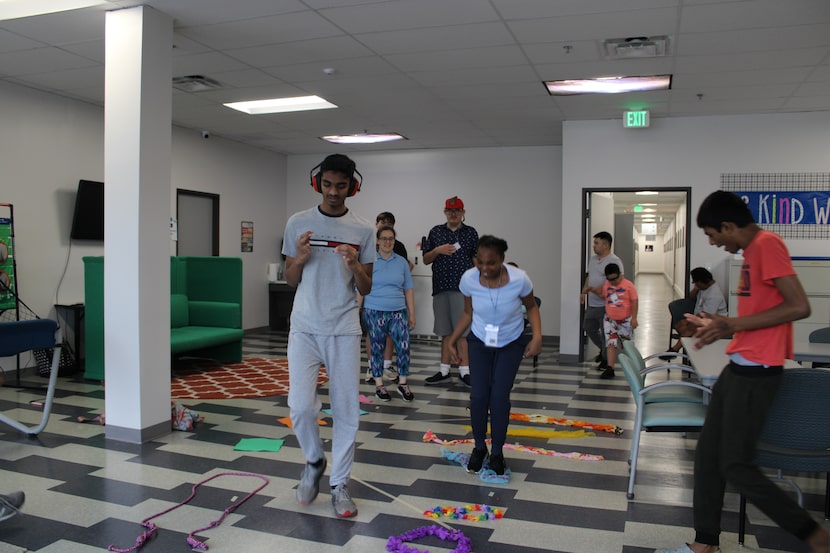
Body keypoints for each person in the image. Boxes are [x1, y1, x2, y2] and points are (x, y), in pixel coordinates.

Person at [656, 190, 830, 553]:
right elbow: (759, 318)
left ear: (729, 225)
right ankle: (705, 544)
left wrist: (730, 323)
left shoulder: (767, 246)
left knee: (735, 465)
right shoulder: (751, 253)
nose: (712, 241)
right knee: (707, 457)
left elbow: (798, 306)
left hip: (757, 375)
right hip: (738, 367)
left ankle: (814, 535)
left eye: (712, 234)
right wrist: (718, 325)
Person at [282, 153, 375, 519]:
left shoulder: (363, 230)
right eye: (327, 185)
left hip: (343, 328)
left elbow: (367, 283)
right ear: (317, 183)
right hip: (304, 325)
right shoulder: (297, 222)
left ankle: (339, 485)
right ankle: (314, 460)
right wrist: (300, 258)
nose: (333, 192)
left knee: (347, 410)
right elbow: (290, 279)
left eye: (340, 186)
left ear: (352, 187)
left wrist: (354, 264)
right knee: (300, 407)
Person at [447, 235, 542, 475]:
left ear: (502, 260)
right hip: (479, 341)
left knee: (499, 397)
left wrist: (538, 336)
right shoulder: (469, 279)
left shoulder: (519, 279)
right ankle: (480, 447)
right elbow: (468, 313)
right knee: (479, 396)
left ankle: (498, 451)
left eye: (491, 263)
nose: (485, 268)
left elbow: (531, 306)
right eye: (480, 262)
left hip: (511, 343)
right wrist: (452, 339)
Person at [422, 196, 478, 386]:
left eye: (457, 211)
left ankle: (465, 371)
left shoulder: (470, 233)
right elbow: (426, 259)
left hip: (463, 290)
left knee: (462, 331)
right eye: (450, 211)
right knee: (445, 331)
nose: (453, 214)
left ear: (463, 213)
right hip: (441, 288)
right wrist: (438, 250)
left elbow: (477, 260)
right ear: (445, 212)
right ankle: (444, 370)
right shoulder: (436, 232)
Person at [360, 225, 416, 402]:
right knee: (376, 348)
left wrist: (412, 314)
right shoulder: (369, 262)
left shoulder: (401, 262)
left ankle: (403, 383)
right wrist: (355, 311)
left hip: (398, 311)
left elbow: (408, 290)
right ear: (377, 241)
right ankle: (379, 384)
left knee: (404, 347)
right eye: (383, 238)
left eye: (390, 239)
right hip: (374, 310)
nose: (387, 242)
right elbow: (360, 288)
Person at [581, 231, 623, 371]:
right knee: (588, 327)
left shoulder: (614, 261)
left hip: (607, 305)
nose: (594, 246)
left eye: (597, 243)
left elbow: (616, 282)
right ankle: (603, 350)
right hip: (593, 303)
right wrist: (584, 291)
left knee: (607, 333)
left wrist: (596, 289)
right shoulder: (593, 260)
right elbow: (589, 277)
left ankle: (606, 360)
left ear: (606, 245)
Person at [670, 267, 728, 352]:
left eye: (697, 283)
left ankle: (675, 349)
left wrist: (688, 322)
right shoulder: (704, 287)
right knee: (679, 325)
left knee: (689, 330)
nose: (696, 285)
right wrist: (695, 289)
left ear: (702, 281)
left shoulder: (715, 295)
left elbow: (705, 315)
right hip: (698, 318)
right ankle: (684, 341)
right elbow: (691, 297)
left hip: (712, 321)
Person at [599, 263, 638, 379]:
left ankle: (633, 366)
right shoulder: (607, 284)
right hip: (610, 319)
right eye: (610, 279)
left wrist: (634, 318)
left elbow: (635, 301)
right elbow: (604, 296)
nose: (613, 282)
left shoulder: (628, 285)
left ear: (620, 275)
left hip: (625, 320)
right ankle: (610, 368)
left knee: (627, 344)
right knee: (611, 344)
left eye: (615, 278)